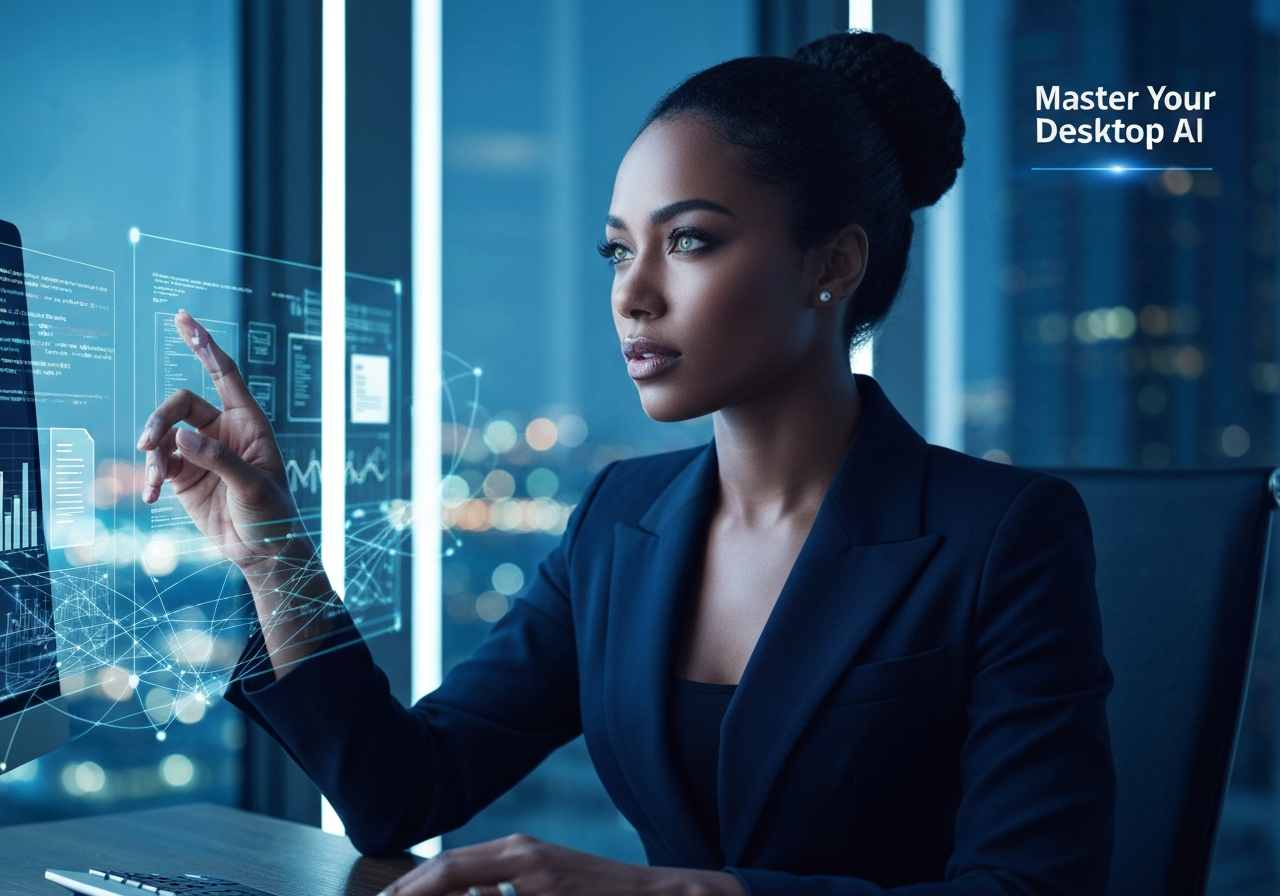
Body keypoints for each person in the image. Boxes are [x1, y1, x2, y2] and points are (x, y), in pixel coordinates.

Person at [137, 30, 1114, 896]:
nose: (633, 295)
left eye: (689, 240)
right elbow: (403, 790)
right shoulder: (619, 517)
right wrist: (275, 557)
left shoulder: (1002, 532)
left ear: (832, 263)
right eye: (616, 251)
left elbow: (1031, 882)